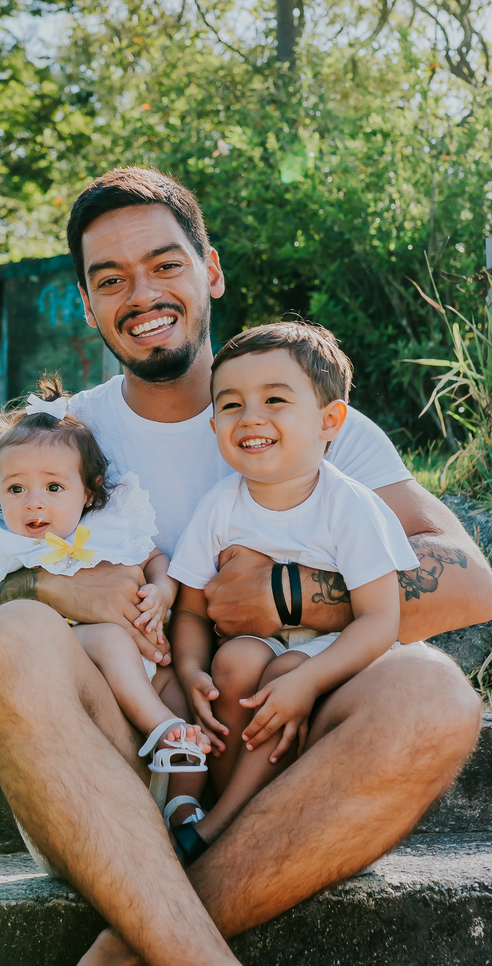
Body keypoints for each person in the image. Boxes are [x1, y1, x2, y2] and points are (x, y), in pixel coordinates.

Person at [0, 167, 492, 966]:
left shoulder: (294, 406)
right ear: (88, 302)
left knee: (431, 691)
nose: (142, 292)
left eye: (165, 264)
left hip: (276, 756)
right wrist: (59, 588)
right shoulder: (58, 438)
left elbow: (469, 582)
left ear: (210, 271)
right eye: (111, 278)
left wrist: (292, 597)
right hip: (107, 775)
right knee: (5, 635)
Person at [0, 377, 213, 776]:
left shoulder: (108, 526)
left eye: (53, 487)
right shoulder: (3, 542)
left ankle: (183, 800)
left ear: (88, 491)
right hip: (76, 657)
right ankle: (160, 727)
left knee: (180, 695)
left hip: (152, 662)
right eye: (16, 489)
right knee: (111, 639)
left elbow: (156, 559)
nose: (34, 503)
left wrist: (162, 591)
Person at [165, 319, 412, 864]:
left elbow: (380, 620)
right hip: (258, 651)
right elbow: (190, 610)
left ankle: (222, 826)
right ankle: (218, 803)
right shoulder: (221, 506)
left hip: (333, 658)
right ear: (214, 426)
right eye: (231, 405)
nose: (250, 417)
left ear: (330, 420)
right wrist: (190, 671)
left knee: (284, 672)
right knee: (233, 661)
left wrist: (307, 680)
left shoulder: (349, 505)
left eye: (274, 399)